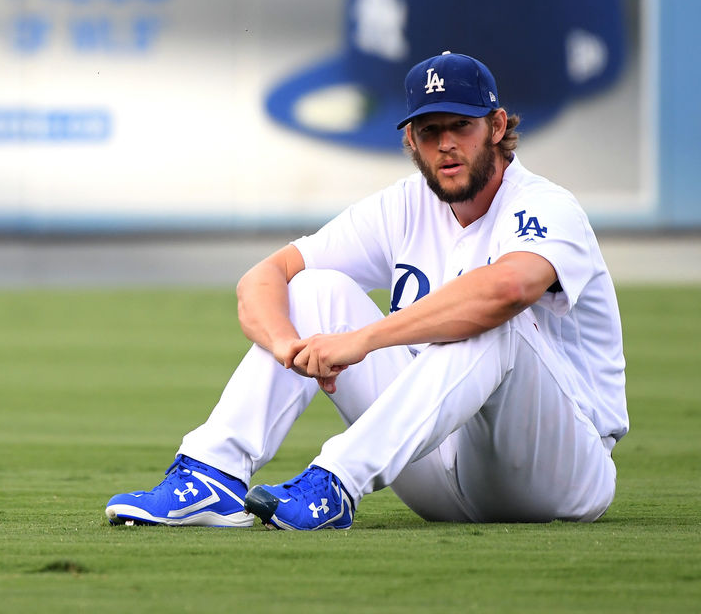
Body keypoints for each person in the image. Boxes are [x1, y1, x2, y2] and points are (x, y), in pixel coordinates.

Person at [105, 51, 627, 530]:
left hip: (555, 470)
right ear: (410, 141)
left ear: (496, 126)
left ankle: (335, 481)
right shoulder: (404, 206)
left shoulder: (544, 204)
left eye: (461, 125)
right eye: (429, 130)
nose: (445, 144)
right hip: (436, 472)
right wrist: (291, 348)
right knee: (313, 289)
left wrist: (363, 340)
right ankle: (211, 475)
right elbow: (262, 278)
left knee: (493, 321)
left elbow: (507, 288)